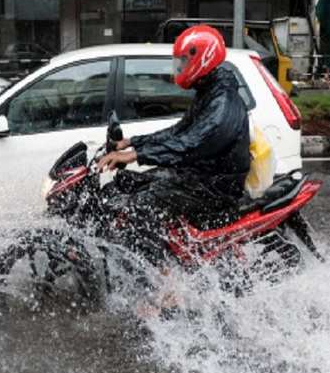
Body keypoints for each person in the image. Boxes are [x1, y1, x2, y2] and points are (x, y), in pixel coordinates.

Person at [96, 24, 251, 235]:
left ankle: (158, 267)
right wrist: (131, 142)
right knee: (126, 182)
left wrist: (135, 155)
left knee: (140, 207)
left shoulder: (223, 103)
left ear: (202, 59)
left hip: (215, 189)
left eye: (183, 62)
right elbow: (178, 132)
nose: (178, 68)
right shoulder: (210, 91)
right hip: (198, 176)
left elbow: (189, 144)